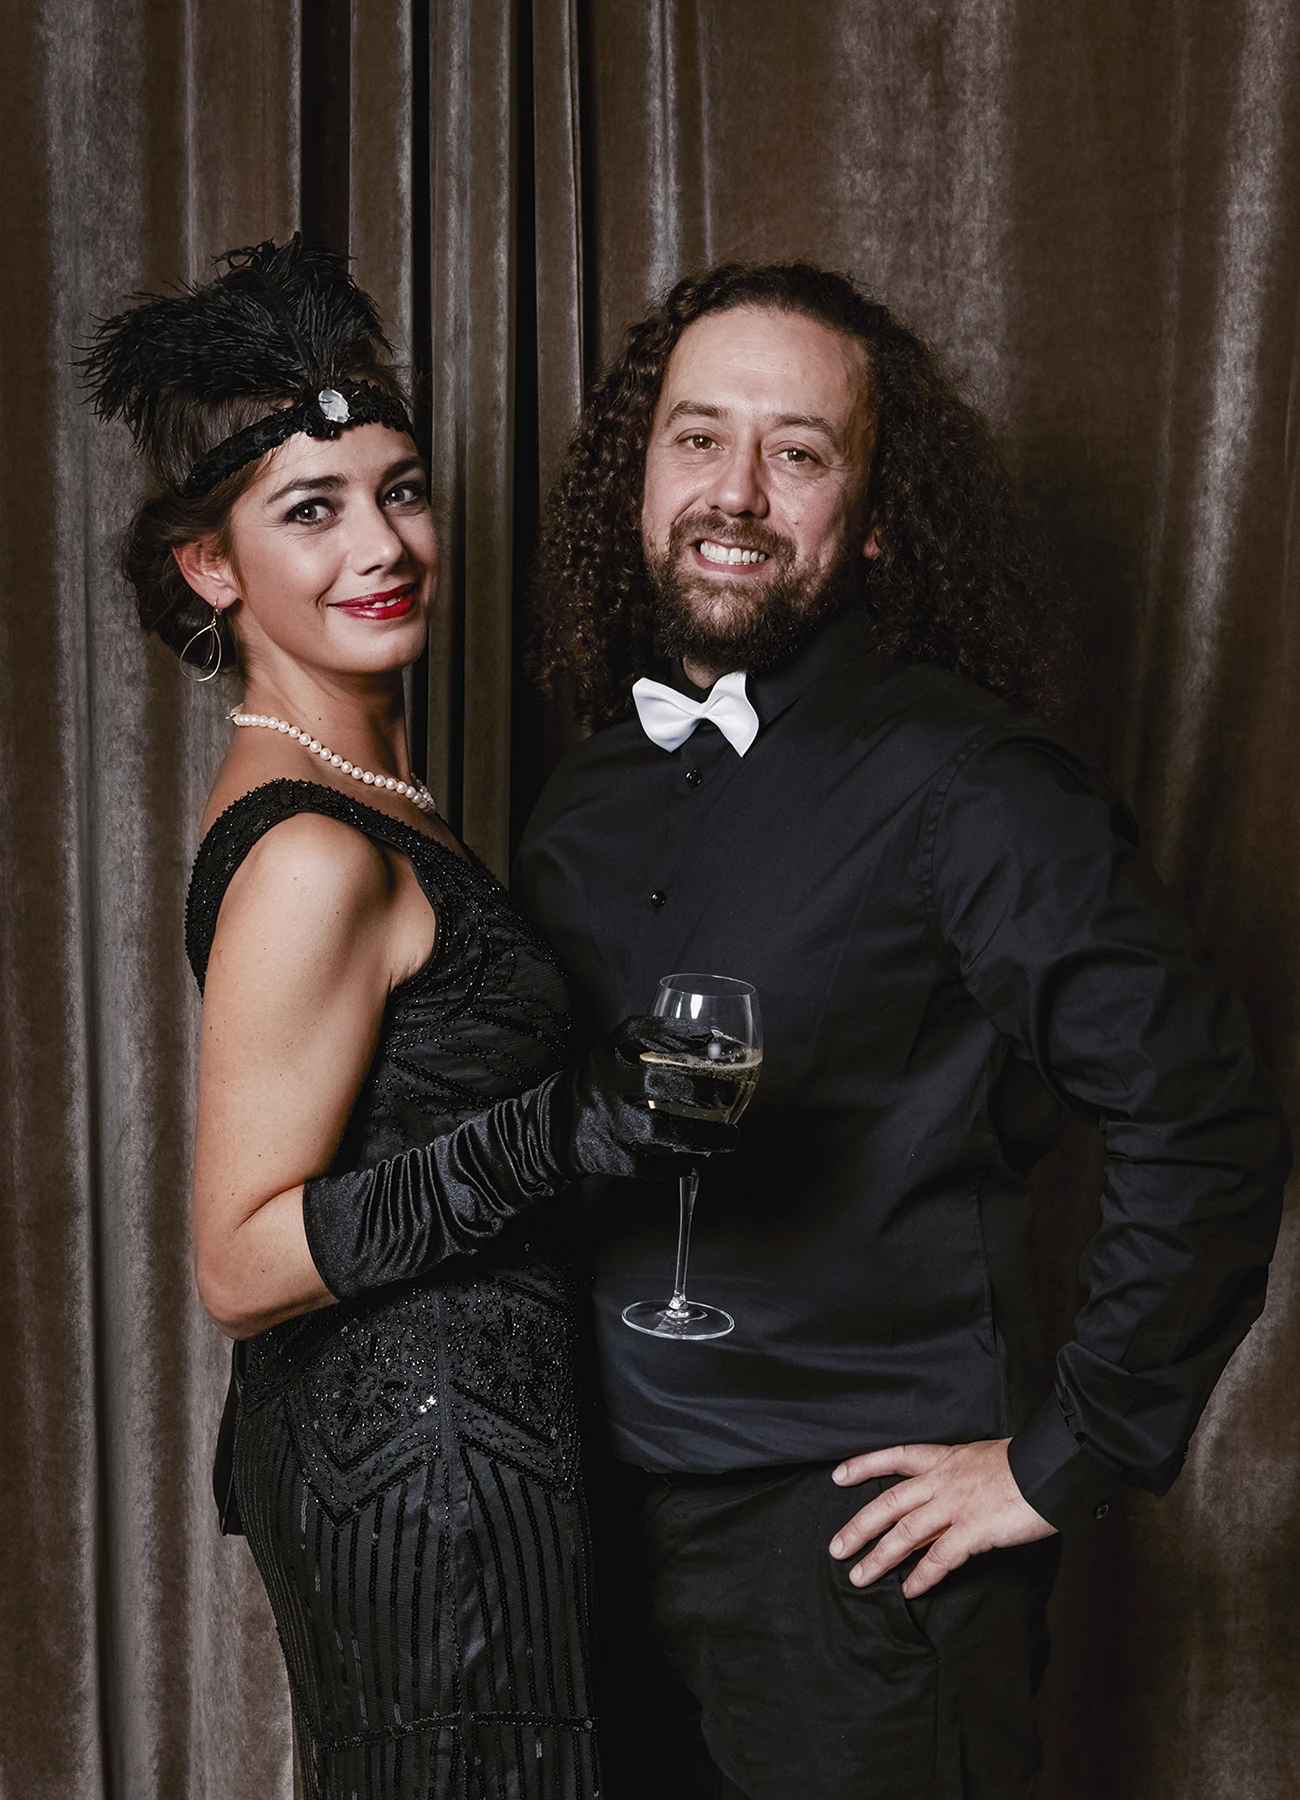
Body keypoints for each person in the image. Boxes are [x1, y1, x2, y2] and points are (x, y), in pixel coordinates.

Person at [514, 262, 1290, 1800]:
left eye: (797, 453)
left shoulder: (973, 785)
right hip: (588, 1540)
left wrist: (1065, 1457)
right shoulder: (583, 798)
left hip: (854, 1567)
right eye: (697, 439)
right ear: (636, 478)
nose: (736, 493)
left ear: (871, 518)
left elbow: (1204, 1115)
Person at [83, 237, 738, 1800]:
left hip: (460, 1448)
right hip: (424, 1475)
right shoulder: (311, 849)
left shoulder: (366, 795)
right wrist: (562, 1129)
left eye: (401, 489)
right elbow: (240, 1262)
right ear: (211, 566)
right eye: (310, 511)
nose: (381, 543)